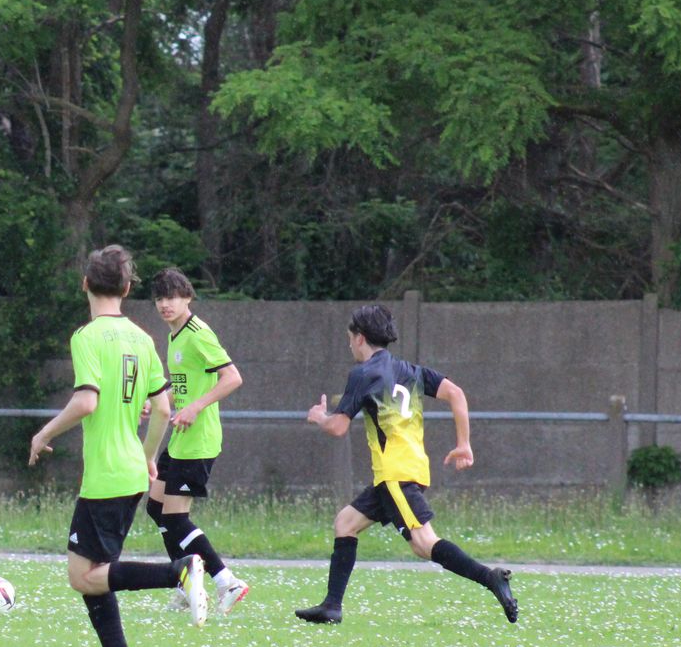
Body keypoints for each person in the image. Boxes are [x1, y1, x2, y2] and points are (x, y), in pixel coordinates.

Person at [29, 245, 209, 647]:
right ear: (127, 289)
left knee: (82, 576)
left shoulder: (87, 337)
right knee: (96, 570)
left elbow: (86, 402)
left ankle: (179, 572)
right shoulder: (143, 338)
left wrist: (44, 433)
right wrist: (148, 457)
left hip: (106, 474)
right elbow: (162, 409)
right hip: (130, 470)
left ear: (85, 284)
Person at [298, 303, 519, 625]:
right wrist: (464, 443)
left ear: (359, 338)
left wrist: (320, 417)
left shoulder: (363, 374)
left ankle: (491, 577)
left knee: (423, 543)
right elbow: (456, 393)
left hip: (395, 474)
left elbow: (338, 427)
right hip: (409, 470)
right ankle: (331, 606)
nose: (350, 345)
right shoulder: (410, 371)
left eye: (349, 339)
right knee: (345, 523)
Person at [146, 268, 251, 619]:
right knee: (156, 508)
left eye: (172, 297)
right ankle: (185, 583)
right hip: (180, 438)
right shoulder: (174, 336)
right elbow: (186, 387)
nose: (165, 304)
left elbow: (232, 377)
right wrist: (159, 402)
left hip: (199, 441)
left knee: (176, 518)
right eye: (160, 298)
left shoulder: (198, 333)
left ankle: (226, 582)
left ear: (187, 297)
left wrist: (195, 407)